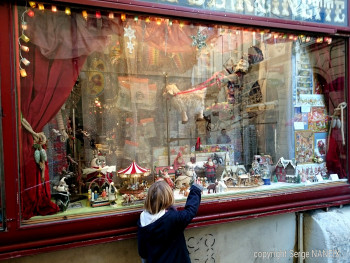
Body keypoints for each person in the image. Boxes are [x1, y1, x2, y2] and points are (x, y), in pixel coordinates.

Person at [137, 180, 203, 263]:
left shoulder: (142, 219)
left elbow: (142, 251)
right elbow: (190, 211)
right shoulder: (172, 218)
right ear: (169, 197)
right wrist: (196, 189)